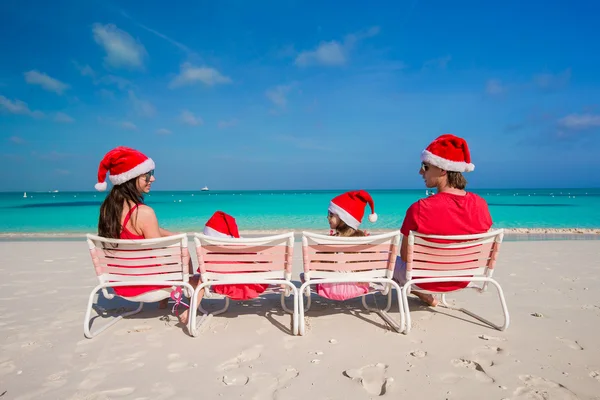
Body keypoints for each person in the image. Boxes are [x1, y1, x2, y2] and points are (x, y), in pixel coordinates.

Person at [95, 146, 203, 323]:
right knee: (192, 270)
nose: (152, 178)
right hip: (145, 287)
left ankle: (163, 303)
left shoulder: (107, 210)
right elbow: (158, 254)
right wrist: (181, 248)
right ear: (131, 178)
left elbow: (140, 231)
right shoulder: (143, 212)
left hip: (120, 285)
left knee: (177, 243)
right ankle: (187, 303)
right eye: (147, 174)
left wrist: (175, 234)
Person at [393, 134, 493, 306]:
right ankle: (425, 295)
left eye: (425, 166)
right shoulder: (481, 205)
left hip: (424, 281)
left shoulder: (419, 208)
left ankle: (420, 293)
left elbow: (405, 257)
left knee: (384, 257)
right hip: (463, 278)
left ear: (443, 169)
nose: (420, 172)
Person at [315, 190, 378, 301]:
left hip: (330, 290)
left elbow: (314, 266)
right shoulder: (364, 242)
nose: (327, 217)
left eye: (331, 214)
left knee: (303, 275)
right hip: (359, 288)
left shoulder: (330, 241)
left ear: (343, 218)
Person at [201, 211, 269, 300]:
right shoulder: (242, 248)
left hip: (223, 288)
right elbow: (263, 261)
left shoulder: (210, 255)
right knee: (261, 261)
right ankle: (280, 282)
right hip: (248, 288)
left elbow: (203, 276)